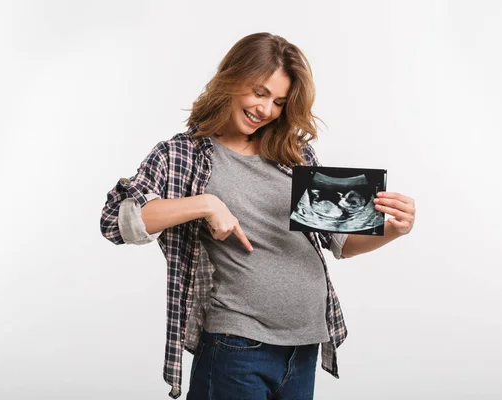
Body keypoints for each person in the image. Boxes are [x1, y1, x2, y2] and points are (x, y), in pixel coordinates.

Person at [100, 32, 415, 400]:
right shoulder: (184, 153)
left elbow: (341, 243)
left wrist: (394, 230)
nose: (266, 110)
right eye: (259, 92)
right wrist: (207, 204)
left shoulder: (294, 153)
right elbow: (117, 221)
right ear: (231, 80)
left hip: (304, 345)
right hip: (236, 347)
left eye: (279, 101)